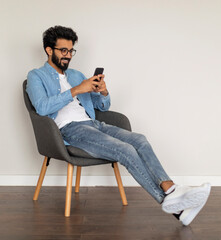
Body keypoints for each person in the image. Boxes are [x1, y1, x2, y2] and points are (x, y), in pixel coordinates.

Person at [26, 25, 211, 225]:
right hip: (71, 130)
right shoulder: (36, 76)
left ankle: (172, 192)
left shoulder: (76, 75)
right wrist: (77, 90)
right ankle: (168, 200)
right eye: (64, 51)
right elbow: (42, 108)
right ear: (49, 50)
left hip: (93, 124)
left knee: (139, 140)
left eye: (71, 51)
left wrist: (103, 92)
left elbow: (101, 106)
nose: (68, 56)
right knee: (125, 150)